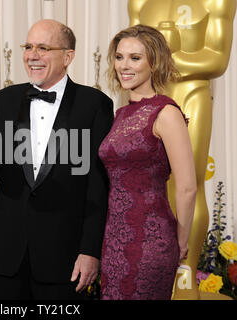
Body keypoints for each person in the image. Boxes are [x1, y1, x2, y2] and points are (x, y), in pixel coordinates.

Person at [0, 19, 114, 299]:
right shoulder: (2, 100)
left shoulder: (95, 105)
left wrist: (90, 251)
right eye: (28, 46)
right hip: (5, 259)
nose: (32, 55)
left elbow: (98, 186)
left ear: (68, 56)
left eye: (43, 47)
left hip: (65, 260)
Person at [128, 0, 236, 299]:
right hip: (146, 99)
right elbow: (132, 58)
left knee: (188, 183)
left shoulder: (216, 1)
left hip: (191, 95)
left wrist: (164, 57)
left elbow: (216, 59)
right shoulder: (139, 2)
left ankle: (184, 272)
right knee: (145, 185)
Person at [99, 24, 196, 300]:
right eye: (119, 57)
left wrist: (181, 242)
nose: (124, 66)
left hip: (152, 242)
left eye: (135, 58)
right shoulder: (120, 115)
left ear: (155, 63)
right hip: (115, 239)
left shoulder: (165, 112)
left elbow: (187, 187)